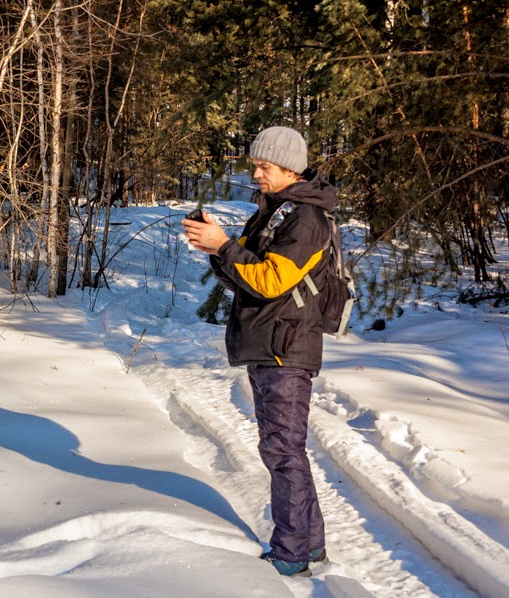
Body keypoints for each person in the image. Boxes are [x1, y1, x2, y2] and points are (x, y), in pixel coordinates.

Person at [182, 126, 336, 577]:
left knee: (283, 450)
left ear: (289, 168)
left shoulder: (305, 219)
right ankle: (310, 546)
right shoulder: (277, 213)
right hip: (273, 344)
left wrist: (224, 246)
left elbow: (271, 281)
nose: (255, 174)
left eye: (263, 166)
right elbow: (245, 276)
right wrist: (216, 248)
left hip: (286, 348)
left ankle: (291, 553)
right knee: (283, 450)